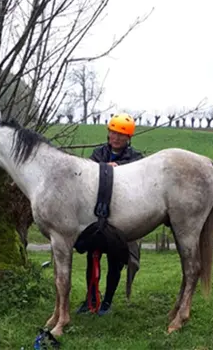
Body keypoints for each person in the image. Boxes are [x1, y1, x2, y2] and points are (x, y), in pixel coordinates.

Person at [77, 113, 144, 315]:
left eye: (121, 135)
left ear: (128, 138)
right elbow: (87, 174)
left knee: (116, 262)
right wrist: (104, 168)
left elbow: (138, 182)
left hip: (120, 218)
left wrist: (119, 170)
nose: (116, 138)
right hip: (97, 217)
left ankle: (107, 301)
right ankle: (90, 299)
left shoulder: (136, 159)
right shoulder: (99, 153)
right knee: (92, 259)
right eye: (113, 133)